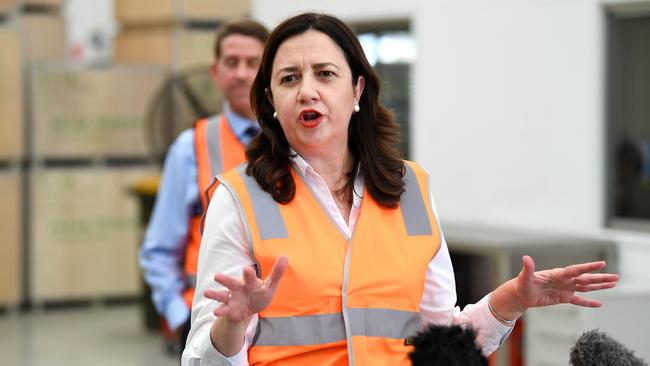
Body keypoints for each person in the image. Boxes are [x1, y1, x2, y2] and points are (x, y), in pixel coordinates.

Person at [182, 12, 619, 366]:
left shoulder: (409, 188)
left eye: (325, 74)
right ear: (273, 102)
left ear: (356, 91)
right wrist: (232, 325)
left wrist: (509, 301)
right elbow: (202, 360)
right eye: (289, 79)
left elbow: (440, 345)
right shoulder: (240, 197)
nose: (307, 90)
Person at [139, 19, 269, 353]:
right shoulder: (189, 148)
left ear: (270, 70)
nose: (241, 73)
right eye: (231, 62)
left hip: (282, 331)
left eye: (253, 63)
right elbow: (159, 250)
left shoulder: (298, 144)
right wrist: (179, 318)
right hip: (209, 329)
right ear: (215, 71)